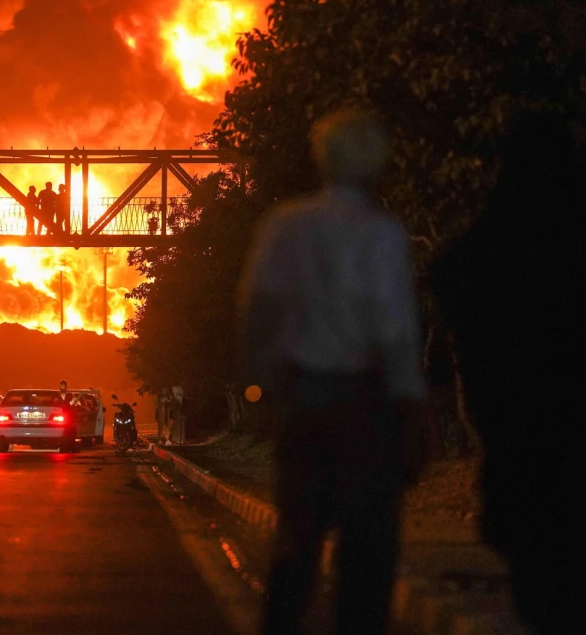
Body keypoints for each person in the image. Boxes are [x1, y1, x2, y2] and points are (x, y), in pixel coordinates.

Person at [239, 108, 427, 635]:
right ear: (376, 162)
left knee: (296, 537)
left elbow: (257, 309)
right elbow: (395, 330)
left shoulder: (285, 226)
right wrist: (411, 405)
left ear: (321, 158)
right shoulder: (382, 234)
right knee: (367, 548)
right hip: (364, 403)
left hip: (301, 399)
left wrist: (257, 384)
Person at [432, 112, 586, 635]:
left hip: (519, 448)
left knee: (541, 592)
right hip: (553, 440)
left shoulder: (493, 241)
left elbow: (450, 274)